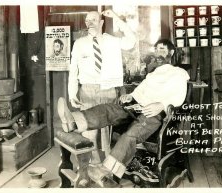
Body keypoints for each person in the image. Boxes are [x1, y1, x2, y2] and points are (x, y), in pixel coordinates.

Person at [58, 39, 190, 187]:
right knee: (108, 109)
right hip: (137, 108)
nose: (159, 53)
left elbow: (179, 97)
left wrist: (161, 105)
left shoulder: (179, 73)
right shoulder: (152, 74)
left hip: (154, 115)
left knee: (130, 135)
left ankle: (105, 170)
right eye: (157, 49)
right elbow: (140, 91)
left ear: (171, 53)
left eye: (162, 49)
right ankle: (74, 121)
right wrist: (131, 96)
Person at [66, 9, 136, 164]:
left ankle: (108, 167)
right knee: (89, 130)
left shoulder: (111, 40)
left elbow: (131, 41)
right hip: (87, 91)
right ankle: (91, 165)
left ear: (102, 23)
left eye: (94, 20)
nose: (90, 23)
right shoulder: (79, 43)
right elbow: (73, 71)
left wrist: (117, 18)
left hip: (108, 90)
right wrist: (72, 94)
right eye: (87, 20)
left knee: (107, 132)